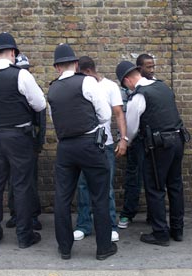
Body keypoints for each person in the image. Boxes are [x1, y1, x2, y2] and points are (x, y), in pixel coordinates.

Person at [48, 43, 117, 260]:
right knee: (100, 195)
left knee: (63, 197)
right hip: (89, 144)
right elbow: (105, 114)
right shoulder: (87, 81)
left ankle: (65, 248)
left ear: (57, 67)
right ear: (76, 64)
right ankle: (104, 247)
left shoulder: (52, 89)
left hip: (65, 147)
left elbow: (54, 119)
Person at [0, 32, 46, 248]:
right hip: (18, 136)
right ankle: (24, 236)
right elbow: (40, 104)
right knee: (22, 185)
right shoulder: (22, 75)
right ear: (14, 53)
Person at [116, 60, 187, 246]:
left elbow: (131, 128)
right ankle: (177, 230)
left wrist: (126, 142)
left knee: (155, 189)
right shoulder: (162, 86)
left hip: (158, 145)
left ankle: (160, 233)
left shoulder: (138, 96)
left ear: (127, 81)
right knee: (175, 185)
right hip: (178, 140)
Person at [72, 56, 127, 242]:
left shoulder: (110, 86)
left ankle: (110, 226)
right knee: (83, 185)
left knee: (107, 187)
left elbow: (119, 113)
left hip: (105, 144)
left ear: (86, 72)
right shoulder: (78, 85)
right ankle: (83, 225)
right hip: (84, 143)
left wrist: (123, 139)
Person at [5, 53, 45, 231]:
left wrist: (39, 143)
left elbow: (41, 119)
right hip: (13, 141)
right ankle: (15, 213)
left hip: (29, 140)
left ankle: (33, 215)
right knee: (13, 180)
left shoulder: (33, 89)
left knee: (30, 181)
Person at [118, 54, 155, 229]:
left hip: (153, 141)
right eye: (148, 67)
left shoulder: (157, 85)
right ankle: (128, 213)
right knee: (133, 177)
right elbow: (124, 116)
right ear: (139, 69)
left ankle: (153, 214)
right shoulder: (127, 89)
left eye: (153, 66)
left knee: (153, 178)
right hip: (135, 139)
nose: (152, 70)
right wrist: (126, 139)